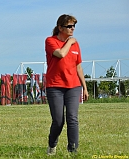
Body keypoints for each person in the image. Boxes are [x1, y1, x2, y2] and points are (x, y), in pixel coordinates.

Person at [45, 14, 89, 155]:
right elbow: (61, 54)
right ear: (60, 27)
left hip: (73, 86)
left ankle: (73, 151)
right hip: (55, 86)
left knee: (72, 118)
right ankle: (52, 144)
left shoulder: (76, 44)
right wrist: (69, 42)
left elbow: (79, 67)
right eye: (69, 26)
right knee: (58, 121)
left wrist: (84, 88)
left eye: (74, 26)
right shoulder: (50, 41)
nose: (72, 29)